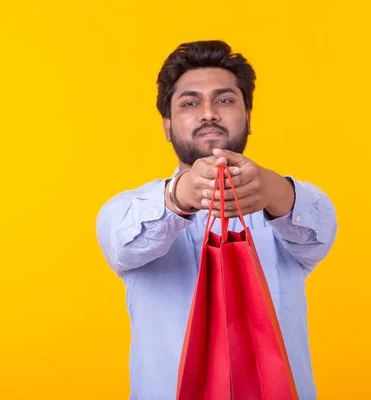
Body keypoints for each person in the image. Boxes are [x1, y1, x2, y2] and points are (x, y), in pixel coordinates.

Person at [96, 40, 338, 400]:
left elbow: (318, 234)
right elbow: (123, 248)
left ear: (248, 118)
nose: (208, 113)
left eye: (224, 100)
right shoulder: (127, 209)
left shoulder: (288, 203)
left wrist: (272, 190)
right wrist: (182, 195)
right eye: (190, 103)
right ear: (167, 126)